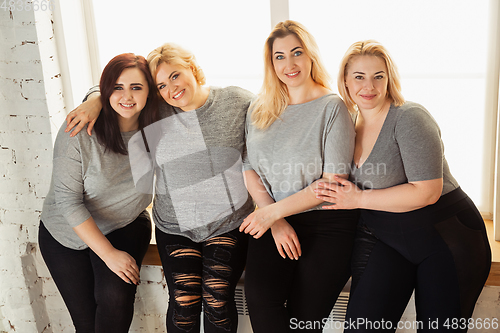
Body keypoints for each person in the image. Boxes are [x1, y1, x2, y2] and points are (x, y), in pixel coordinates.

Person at [65, 43, 254, 333]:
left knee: (217, 301)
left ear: (192, 67)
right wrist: (95, 99)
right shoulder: (155, 111)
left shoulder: (237, 101)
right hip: (175, 225)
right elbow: (120, 92)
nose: (171, 89)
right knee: (183, 302)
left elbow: (274, 112)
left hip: (227, 223)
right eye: (162, 85)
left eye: (176, 75)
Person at [314, 40, 492, 332]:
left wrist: (357, 198)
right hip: (392, 238)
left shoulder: (409, 117)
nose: (368, 86)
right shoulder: (347, 121)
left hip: (446, 238)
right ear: (345, 80)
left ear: (389, 78)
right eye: (359, 76)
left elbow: (427, 191)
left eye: (378, 76)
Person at [240, 20, 358, 333]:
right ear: (271, 63)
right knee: (262, 305)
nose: (289, 64)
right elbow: (248, 167)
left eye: (297, 53)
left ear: (310, 56)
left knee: (304, 322)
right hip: (274, 219)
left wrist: (271, 214)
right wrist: (274, 220)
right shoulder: (259, 107)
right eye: (280, 56)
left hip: (326, 225)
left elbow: (332, 184)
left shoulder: (333, 107)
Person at [38, 53, 159, 332]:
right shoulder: (79, 130)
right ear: (106, 91)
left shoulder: (158, 127)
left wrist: (96, 97)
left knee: (115, 298)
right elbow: (69, 202)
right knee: (86, 323)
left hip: (124, 222)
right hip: (65, 232)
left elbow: (179, 81)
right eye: (117, 87)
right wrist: (108, 254)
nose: (126, 96)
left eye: (136, 87)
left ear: (149, 91)